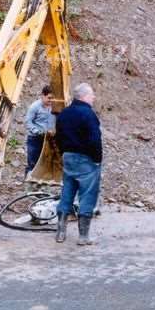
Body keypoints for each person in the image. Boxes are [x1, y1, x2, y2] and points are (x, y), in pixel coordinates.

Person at [55, 83, 102, 245]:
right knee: (87, 195)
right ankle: (83, 237)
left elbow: (57, 137)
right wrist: (97, 159)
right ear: (84, 96)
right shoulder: (88, 114)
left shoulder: (64, 113)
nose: (94, 97)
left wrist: (64, 153)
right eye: (92, 95)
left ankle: (60, 233)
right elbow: (95, 139)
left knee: (67, 191)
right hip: (86, 160)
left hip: (68, 157)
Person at [25, 85, 55, 177]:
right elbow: (28, 122)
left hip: (48, 139)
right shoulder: (34, 107)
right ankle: (29, 183)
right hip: (35, 139)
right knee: (33, 161)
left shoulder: (53, 107)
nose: (51, 100)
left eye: (52, 98)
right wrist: (37, 131)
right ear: (42, 95)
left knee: (46, 163)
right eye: (49, 98)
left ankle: (41, 183)